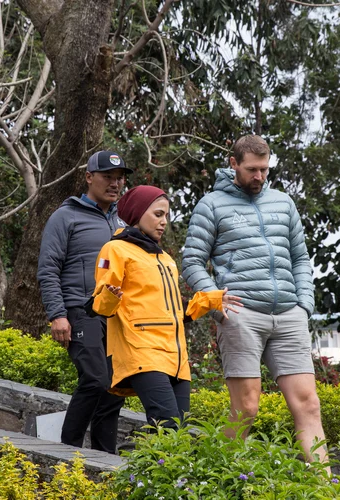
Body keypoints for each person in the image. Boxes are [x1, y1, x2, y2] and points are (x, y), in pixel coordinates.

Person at [181, 135, 329, 466]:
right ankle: (225, 478)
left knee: (308, 404)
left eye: (264, 169)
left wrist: (304, 304)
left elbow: (300, 258)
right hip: (242, 314)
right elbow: (191, 261)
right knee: (246, 408)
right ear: (234, 164)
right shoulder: (211, 205)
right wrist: (216, 303)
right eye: (252, 169)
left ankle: (324, 487)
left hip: (289, 314)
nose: (259, 177)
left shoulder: (283, 202)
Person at [89, 185, 243, 429]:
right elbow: (101, 306)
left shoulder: (166, 259)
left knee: (178, 430)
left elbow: (177, 311)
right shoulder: (116, 249)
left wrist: (212, 300)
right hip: (142, 351)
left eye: (166, 216)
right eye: (157, 214)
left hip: (176, 357)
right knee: (168, 425)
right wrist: (110, 295)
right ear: (138, 213)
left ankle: (146, 466)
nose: (163, 222)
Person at [37, 150, 130, 453]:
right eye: (107, 177)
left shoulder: (122, 222)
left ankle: (106, 458)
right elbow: (48, 268)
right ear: (89, 177)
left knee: (115, 387)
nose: (115, 183)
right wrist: (57, 314)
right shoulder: (66, 216)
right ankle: (67, 451)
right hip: (80, 311)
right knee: (95, 379)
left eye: (119, 178)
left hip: (116, 317)